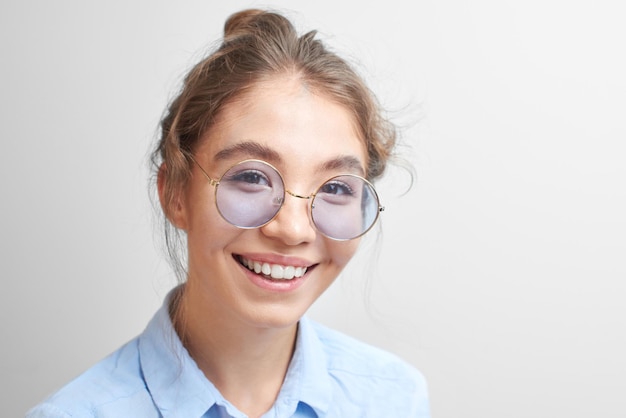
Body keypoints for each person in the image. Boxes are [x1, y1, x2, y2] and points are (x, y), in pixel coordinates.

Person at [26, 8, 430, 418]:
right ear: (175, 193)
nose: (292, 229)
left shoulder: (395, 398)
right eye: (253, 177)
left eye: (336, 187)